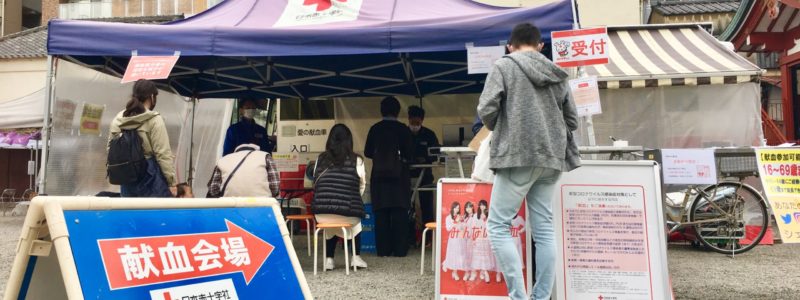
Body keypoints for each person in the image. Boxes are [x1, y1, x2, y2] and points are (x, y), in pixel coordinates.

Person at [477, 23, 580, 300]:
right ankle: (541, 296)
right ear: (540, 46)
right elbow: (572, 121)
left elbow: (486, 109)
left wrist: (505, 126)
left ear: (510, 46)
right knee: (544, 230)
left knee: (498, 226)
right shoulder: (558, 74)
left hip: (517, 155)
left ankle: (519, 297)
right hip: (552, 158)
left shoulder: (504, 66)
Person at [310, 124, 369, 270]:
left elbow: (315, 184)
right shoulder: (357, 160)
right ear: (349, 140)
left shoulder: (320, 159)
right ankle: (355, 257)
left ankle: (329, 259)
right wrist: (351, 198)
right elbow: (362, 186)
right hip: (348, 214)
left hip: (321, 215)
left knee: (332, 219)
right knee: (354, 221)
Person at [364, 96, 414, 257]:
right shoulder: (403, 130)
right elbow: (410, 154)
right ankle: (400, 250)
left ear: (381, 110)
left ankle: (383, 250)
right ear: (398, 111)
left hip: (379, 178)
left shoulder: (374, 129)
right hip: (400, 178)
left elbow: (367, 152)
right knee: (400, 214)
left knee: (381, 214)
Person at [109, 79, 177, 197]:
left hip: (126, 176)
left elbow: (110, 150)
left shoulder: (118, 119)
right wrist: (172, 182)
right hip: (149, 174)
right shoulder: (154, 119)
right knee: (155, 213)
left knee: (130, 212)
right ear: (152, 96)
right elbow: (163, 153)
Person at [407, 105, 441, 227]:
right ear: (408, 119)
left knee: (427, 207)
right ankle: (409, 238)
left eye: (417, 122)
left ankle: (428, 238)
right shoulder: (403, 133)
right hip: (406, 176)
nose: (415, 124)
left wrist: (425, 159)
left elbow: (436, 153)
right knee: (407, 208)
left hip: (425, 176)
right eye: (412, 122)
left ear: (422, 120)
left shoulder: (429, 134)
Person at [207, 143, 280, 198]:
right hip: (261, 203)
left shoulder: (222, 160)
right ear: (256, 150)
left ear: (236, 151)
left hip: (230, 205)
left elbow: (213, 189)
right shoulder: (265, 156)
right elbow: (275, 186)